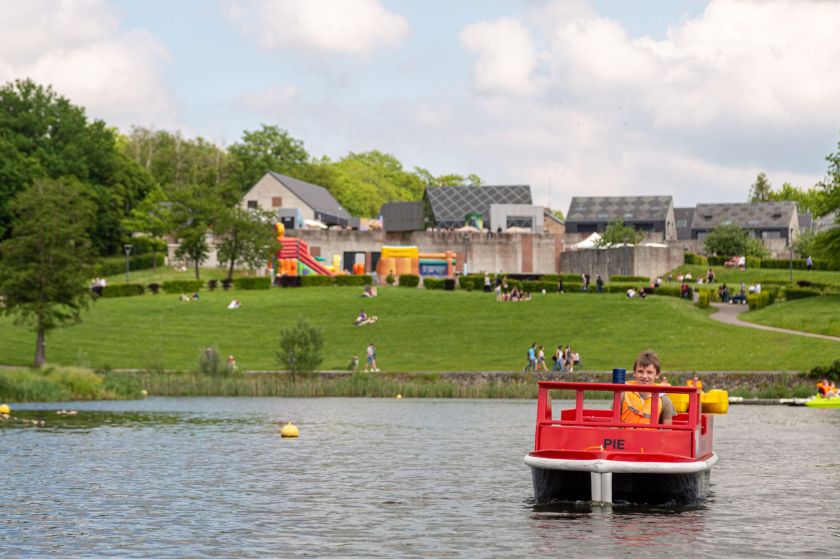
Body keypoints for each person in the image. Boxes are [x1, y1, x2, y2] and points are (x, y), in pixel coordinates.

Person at [617, 351, 676, 425]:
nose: (644, 376)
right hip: (625, 433)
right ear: (634, 373)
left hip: (651, 433)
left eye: (649, 372)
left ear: (657, 374)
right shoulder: (622, 395)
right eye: (640, 371)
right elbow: (614, 425)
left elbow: (667, 430)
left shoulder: (665, 401)